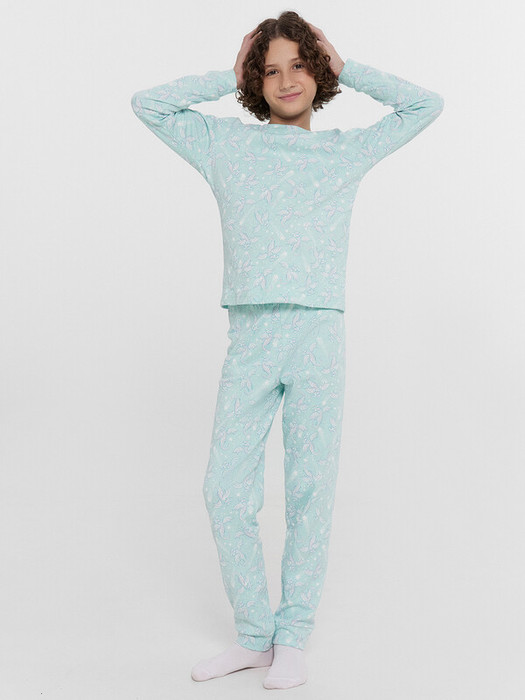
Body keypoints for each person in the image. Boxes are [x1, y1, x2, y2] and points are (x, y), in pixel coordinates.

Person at [131, 10, 444, 690]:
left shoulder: (343, 152)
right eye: (269, 70)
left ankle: (292, 637)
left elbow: (426, 105)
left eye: (298, 65)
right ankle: (255, 635)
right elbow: (147, 104)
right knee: (224, 490)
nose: (286, 80)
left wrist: (347, 66)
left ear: (317, 71)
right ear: (256, 80)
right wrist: (229, 72)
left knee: (309, 489)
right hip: (251, 335)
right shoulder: (224, 144)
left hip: (317, 336)